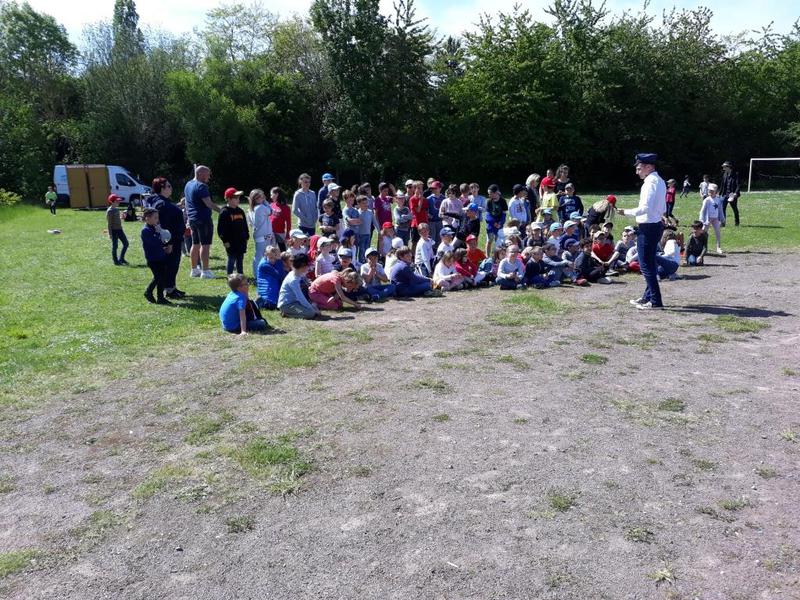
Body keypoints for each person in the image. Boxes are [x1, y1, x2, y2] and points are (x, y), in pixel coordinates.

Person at [618, 153, 667, 310]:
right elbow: (662, 207)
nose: (637, 171)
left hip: (648, 227)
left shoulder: (650, 183)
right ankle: (648, 297)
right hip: (655, 225)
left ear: (648, 167)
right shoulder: (660, 181)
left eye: (639, 168)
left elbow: (644, 208)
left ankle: (655, 301)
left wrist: (625, 212)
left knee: (646, 265)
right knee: (650, 263)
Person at [151, 178, 186, 299]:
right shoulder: (161, 204)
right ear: (162, 188)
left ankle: (172, 287)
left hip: (175, 238)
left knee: (173, 264)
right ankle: (169, 290)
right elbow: (163, 226)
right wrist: (168, 243)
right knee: (171, 265)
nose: (171, 188)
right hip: (170, 240)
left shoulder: (163, 201)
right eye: (169, 186)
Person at [185, 165, 220, 279]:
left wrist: (189, 217)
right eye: (208, 174)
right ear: (200, 174)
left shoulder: (188, 184)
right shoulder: (201, 186)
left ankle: (194, 270)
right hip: (203, 219)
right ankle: (205, 271)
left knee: (195, 244)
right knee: (205, 245)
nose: (209, 177)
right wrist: (222, 211)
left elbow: (187, 203)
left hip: (192, 219)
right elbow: (208, 203)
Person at [141, 207, 173, 305]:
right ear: (147, 218)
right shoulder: (145, 230)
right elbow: (154, 242)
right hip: (153, 258)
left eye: (157, 217)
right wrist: (160, 235)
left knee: (162, 277)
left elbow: (164, 239)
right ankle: (148, 291)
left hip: (161, 256)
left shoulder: (156, 228)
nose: (157, 220)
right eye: (155, 218)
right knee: (158, 276)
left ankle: (160, 297)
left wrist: (164, 238)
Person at [217, 188, 249, 275]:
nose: (238, 200)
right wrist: (225, 241)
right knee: (231, 258)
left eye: (238, 198)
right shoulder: (224, 212)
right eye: (236, 198)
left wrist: (246, 236)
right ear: (229, 199)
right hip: (231, 241)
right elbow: (221, 229)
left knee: (240, 258)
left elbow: (245, 225)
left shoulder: (240, 211)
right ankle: (230, 276)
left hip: (241, 240)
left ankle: (240, 275)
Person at [278, 254, 320, 319]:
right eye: (307, 265)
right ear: (302, 266)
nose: (308, 267)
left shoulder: (297, 274)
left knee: (313, 307)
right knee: (311, 313)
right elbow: (300, 297)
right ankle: (286, 313)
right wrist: (312, 308)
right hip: (287, 305)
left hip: (295, 302)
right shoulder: (293, 280)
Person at [249, 188, 273, 278]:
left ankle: (261, 273)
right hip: (263, 235)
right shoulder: (261, 207)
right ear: (254, 199)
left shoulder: (253, 208)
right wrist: (265, 201)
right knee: (260, 256)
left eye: (262, 197)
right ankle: (256, 275)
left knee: (261, 255)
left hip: (260, 234)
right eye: (258, 197)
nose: (261, 199)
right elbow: (271, 211)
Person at [699, 183, 724, 254]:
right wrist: (702, 219)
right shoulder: (707, 200)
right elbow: (702, 210)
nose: (710, 192)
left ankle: (718, 247)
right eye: (709, 190)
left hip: (715, 218)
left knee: (718, 232)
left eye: (712, 191)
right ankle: (702, 247)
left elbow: (720, 209)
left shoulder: (718, 200)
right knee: (704, 232)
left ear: (716, 191)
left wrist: (722, 218)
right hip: (708, 219)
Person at [484, 184, 507, 257]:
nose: (489, 195)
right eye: (488, 194)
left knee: (498, 241)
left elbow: (504, 214)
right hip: (491, 225)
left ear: (496, 192)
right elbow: (487, 215)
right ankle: (487, 256)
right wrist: (493, 223)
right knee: (489, 240)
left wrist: (500, 223)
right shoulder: (489, 201)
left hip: (499, 225)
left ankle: (497, 256)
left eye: (490, 193)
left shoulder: (503, 201)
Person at [106, 194, 129, 266]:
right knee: (115, 246)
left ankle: (121, 258)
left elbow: (118, 219)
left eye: (119, 201)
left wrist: (123, 217)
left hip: (120, 230)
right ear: (112, 202)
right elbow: (109, 223)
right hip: (114, 231)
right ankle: (115, 261)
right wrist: (110, 234)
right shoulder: (110, 211)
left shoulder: (116, 209)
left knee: (126, 243)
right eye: (117, 201)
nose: (119, 202)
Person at [269, 187, 291, 251]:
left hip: (280, 233)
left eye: (271, 195)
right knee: (272, 251)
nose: (271, 197)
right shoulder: (271, 205)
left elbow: (288, 223)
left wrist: (287, 235)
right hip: (271, 233)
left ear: (277, 194)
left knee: (282, 250)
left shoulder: (286, 208)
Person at [720, 160, 740, 226]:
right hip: (725, 194)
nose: (723, 168)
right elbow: (722, 185)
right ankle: (723, 223)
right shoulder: (724, 174)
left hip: (732, 195)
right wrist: (720, 193)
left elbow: (738, 185)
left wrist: (735, 193)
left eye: (724, 167)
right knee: (722, 208)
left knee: (734, 209)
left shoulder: (736, 174)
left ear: (728, 167)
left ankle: (737, 222)